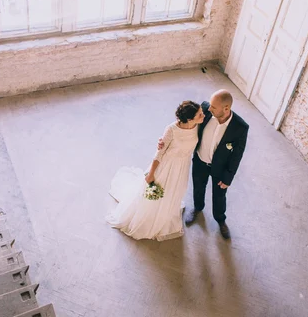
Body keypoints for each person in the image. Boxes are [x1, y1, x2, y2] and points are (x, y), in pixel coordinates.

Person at [106, 101, 204, 241]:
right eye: (200, 114)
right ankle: (153, 218)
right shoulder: (171, 130)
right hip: (167, 166)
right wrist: (151, 174)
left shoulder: (198, 124)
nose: (203, 115)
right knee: (158, 194)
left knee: (176, 190)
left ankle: (168, 212)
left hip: (183, 166)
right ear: (189, 119)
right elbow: (159, 153)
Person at [159, 90, 249, 239]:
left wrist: (228, 177)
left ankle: (220, 220)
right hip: (200, 161)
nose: (209, 109)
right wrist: (165, 140)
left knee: (219, 195)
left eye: (214, 107)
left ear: (226, 109)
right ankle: (197, 208)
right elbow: (184, 123)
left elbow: (237, 155)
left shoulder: (240, 127)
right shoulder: (205, 112)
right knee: (198, 187)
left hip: (220, 168)